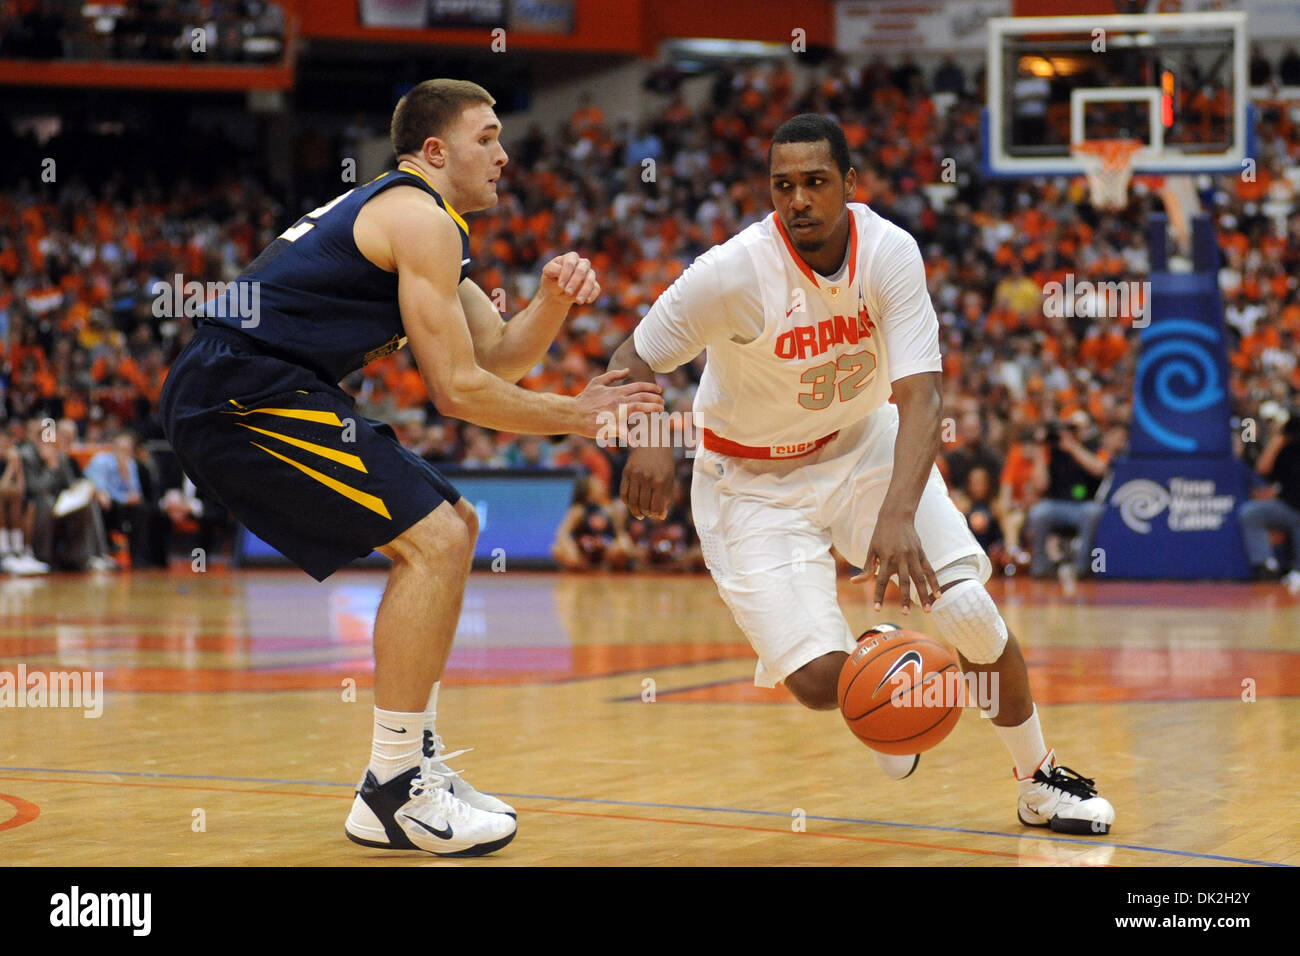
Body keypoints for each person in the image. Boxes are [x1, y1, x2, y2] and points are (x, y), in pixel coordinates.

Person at [159, 79, 663, 857]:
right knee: (434, 538)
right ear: (435, 151)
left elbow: (496, 355)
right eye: (488, 137)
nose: (503, 154)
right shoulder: (419, 220)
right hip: (238, 392)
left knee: (454, 527)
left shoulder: (426, 223)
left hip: (266, 384)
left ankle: (398, 776)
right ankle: (395, 786)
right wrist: (577, 415)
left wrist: (555, 301)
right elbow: (457, 393)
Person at [608, 114, 1113, 835]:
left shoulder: (889, 252)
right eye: (783, 186)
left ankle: (1039, 780)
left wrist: (899, 513)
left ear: (850, 184)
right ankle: (882, 671)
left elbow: (922, 395)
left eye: (815, 182)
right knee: (821, 685)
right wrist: (650, 435)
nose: (799, 200)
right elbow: (633, 354)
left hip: (862, 444)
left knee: (966, 608)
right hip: (748, 482)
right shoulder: (732, 272)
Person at [1023, 411, 1115, 579]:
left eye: (1076, 428)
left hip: (1084, 505)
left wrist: (1073, 447)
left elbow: (1099, 469)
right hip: (1056, 504)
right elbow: (1040, 485)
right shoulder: (1052, 450)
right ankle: (1041, 568)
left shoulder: (1094, 447)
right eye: (1068, 427)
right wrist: (1039, 447)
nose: (1071, 432)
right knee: (1038, 513)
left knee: (1093, 513)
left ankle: (1081, 569)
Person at [1237, 410, 1300, 590]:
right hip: (1288, 507)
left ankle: (1297, 571)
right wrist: (1278, 441)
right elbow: (1262, 469)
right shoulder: (1246, 422)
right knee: (1250, 513)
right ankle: (1266, 566)